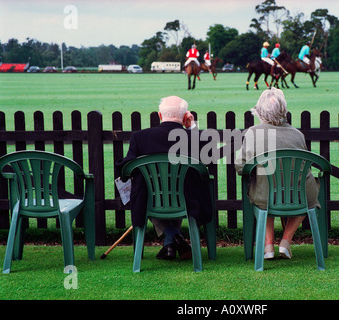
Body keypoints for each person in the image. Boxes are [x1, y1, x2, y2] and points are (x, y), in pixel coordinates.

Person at [116, 96, 213, 260]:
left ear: (160, 116)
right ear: (184, 118)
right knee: (176, 190)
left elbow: (124, 169)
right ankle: (176, 238)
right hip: (188, 199)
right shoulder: (196, 139)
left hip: (152, 200)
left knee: (150, 191)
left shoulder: (140, 138)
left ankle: (170, 241)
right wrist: (193, 127)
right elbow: (209, 162)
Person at [235, 87, 320, 260]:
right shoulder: (298, 134)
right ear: (284, 111)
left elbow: (240, 167)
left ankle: (268, 246)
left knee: (264, 191)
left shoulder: (252, 133)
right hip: (299, 195)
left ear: (259, 111)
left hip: (265, 195)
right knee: (308, 195)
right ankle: (286, 241)